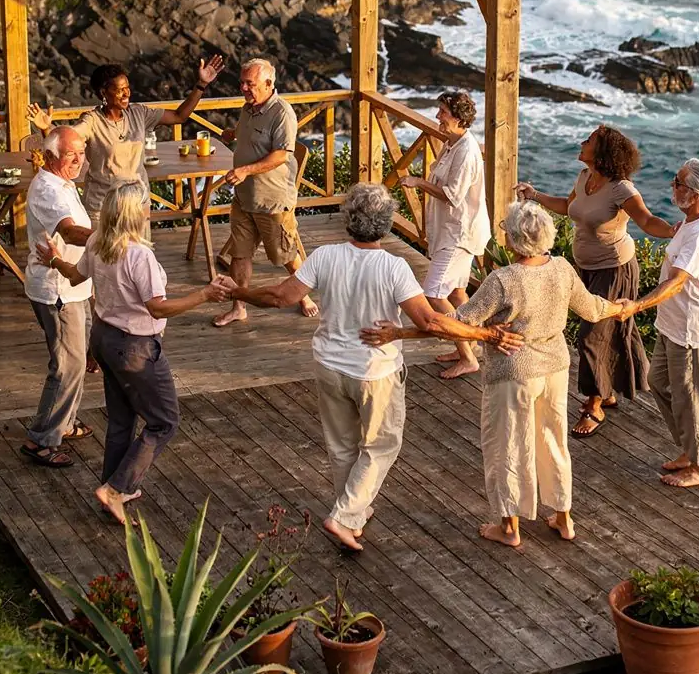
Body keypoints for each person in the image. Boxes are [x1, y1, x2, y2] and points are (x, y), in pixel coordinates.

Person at [224, 183, 523, 552]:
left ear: (349, 220)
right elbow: (430, 321)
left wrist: (238, 292)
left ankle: (354, 515)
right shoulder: (393, 267)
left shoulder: (324, 256)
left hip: (329, 365)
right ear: (385, 225)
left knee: (342, 447)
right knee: (382, 445)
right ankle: (345, 517)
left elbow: (280, 296)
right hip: (373, 372)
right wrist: (485, 335)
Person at [366, 200, 627, 549]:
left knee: (507, 447)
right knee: (553, 441)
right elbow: (594, 309)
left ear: (514, 240)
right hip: (554, 366)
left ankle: (509, 526)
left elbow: (455, 325)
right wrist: (625, 307)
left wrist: (401, 333)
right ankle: (563, 517)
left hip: (513, 372)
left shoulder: (503, 280)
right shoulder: (562, 269)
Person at [37, 180, 228, 524]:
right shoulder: (140, 256)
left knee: (122, 419)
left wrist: (53, 259)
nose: (148, 209)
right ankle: (117, 488)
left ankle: (111, 488)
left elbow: (76, 276)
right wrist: (203, 295)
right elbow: (157, 308)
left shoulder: (97, 242)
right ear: (137, 212)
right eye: (146, 205)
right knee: (165, 421)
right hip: (135, 349)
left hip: (105, 338)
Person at [517, 125, 675, 438]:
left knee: (593, 334)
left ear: (602, 153)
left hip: (615, 269)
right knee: (611, 329)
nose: (581, 142)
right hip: (585, 267)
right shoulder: (585, 177)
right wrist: (534, 196)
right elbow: (567, 206)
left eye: (587, 141)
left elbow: (645, 220)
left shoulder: (622, 190)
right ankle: (610, 389)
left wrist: (674, 230)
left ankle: (594, 405)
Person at [620, 158, 699, 490]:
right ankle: (689, 449)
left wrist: (637, 305)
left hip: (692, 330)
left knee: (690, 396)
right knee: (659, 381)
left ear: (695, 194)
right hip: (673, 325)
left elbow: (678, 282)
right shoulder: (690, 223)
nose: (673, 186)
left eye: (678, 183)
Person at [27, 54, 225, 227]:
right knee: (103, 266)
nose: (126, 93)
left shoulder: (139, 113)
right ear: (104, 93)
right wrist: (45, 128)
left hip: (138, 204)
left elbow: (179, 116)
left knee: (137, 263)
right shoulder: (92, 121)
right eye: (120, 89)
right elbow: (65, 140)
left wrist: (201, 85)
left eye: (127, 88)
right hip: (103, 208)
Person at [213, 58, 313, 326]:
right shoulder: (250, 106)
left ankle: (303, 295)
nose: (244, 88)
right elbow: (254, 135)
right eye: (242, 82)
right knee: (240, 255)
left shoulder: (282, 113)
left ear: (269, 84)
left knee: (286, 256)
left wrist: (245, 170)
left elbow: (281, 155)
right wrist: (233, 133)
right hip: (244, 197)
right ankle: (239, 307)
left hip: (271, 200)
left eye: (250, 83)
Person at [400, 90, 491, 380]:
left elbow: (452, 196)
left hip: (459, 235)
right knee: (456, 293)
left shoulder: (466, 151)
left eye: (443, 112)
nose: (438, 116)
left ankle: (467, 357)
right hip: (449, 231)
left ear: (459, 118)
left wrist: (418, 182)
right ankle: (470, 342)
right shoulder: (452, 144)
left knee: (434, 293)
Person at [20, 127, 94, 468]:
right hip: (57, 289)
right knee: (67, 365)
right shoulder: (49, 190)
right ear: (51, 157)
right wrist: (112, 236)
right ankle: (41, 439)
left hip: (75, 286)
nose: (79, 159)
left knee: (80, 360)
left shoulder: (63, 182)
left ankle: (64, 423)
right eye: (71, 155)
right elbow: (70, 232)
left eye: (81, 152)